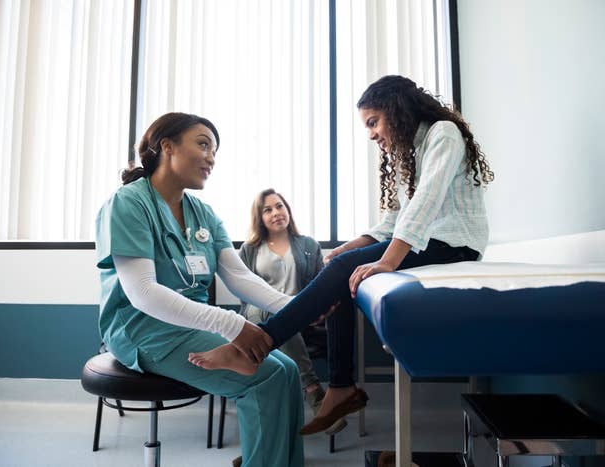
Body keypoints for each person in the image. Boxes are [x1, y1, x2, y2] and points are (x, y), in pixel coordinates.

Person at [190, 75, 494, 435]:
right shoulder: (406, 155)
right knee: (343, 268)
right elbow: (394, 220)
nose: (371, 134)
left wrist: (387, 260)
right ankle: (341, 385)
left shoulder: (443, 133)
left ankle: (258, 346)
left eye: (373, 122)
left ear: (397, 111)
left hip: (454, 245)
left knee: (351, 267)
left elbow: (424, 205)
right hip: (427, 242)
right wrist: (351, 247)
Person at [95, 112, 304, 467]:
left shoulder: (203, 213)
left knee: (288, 371)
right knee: (265, 376)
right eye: (203, 144)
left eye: (215, 150)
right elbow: (142, 292)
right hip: (144, 329)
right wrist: (232, 325)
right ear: (167, 146)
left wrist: (297, 307)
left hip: (193, 326)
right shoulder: (129, 202)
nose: (211, 158)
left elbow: (239, 277)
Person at [237, 188, 347, 434]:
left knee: (283, 316)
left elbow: (321, 287)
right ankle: (313, 391)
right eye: (268, 210)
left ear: (287, 210)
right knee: (265, 310)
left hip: (300, 318)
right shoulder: (249, 249)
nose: (276, 213)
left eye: (279, 206)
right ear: (260, 217)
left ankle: (269, 430)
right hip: (258, 318)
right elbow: (243, 291)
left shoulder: (308, 245)